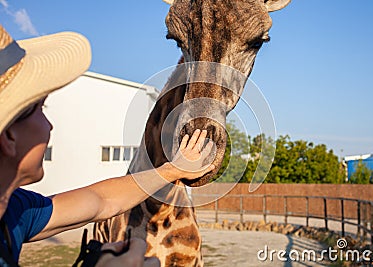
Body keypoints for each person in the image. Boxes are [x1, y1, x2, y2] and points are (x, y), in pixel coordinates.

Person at [0, 25, 215, 266]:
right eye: (40, 109)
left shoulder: (14, 210)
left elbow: (100, 200)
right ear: (9, 136)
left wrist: (174, 170)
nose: (49, 125)